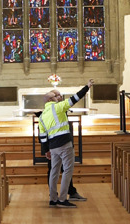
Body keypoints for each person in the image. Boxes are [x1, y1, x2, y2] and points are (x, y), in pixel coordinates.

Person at [39, 78, 93, 208]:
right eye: (56, 96)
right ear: (50, 100)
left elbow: (42, 136)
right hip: (64, 143)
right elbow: (75, 98)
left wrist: (46, 150)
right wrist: (87, 87)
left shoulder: (42, 116)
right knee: (68, 170)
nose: (59, 98)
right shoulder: (58, 107)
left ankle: (53, 199)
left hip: (52, 147)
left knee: (54, 172)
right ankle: (62, 200)